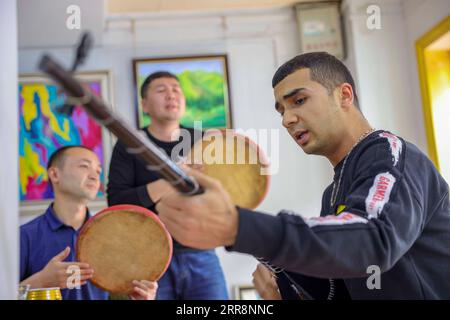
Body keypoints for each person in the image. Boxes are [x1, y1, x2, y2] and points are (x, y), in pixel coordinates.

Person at [155, 52, 450, 299]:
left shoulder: (390, 152)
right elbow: (338, 290)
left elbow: (373, 241)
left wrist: (240, 227)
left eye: (298, 101)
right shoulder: (333, 192)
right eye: (281, 109)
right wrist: (280, 275)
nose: (286, 119)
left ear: (344, 95)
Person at [107, 71, 229, 300]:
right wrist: (176, 178)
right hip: (147, 260)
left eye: (176, 89)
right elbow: (117, 203)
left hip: (201, 254)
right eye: (161, 90)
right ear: (145, 105)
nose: (171, 95)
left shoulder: (203, 141)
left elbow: (224, 197)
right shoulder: (129, 144)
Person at [20, 146, 158, 300]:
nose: (94, 176)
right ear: (54, 174)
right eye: (84, 166)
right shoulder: (24, 236)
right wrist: (40, 281)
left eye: (98, 171)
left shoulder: (114, 236)